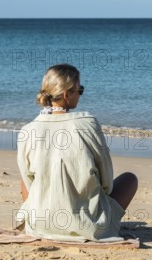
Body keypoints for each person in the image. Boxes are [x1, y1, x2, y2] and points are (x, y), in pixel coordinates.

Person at [16, 64, 138, 242]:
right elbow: (106, 182)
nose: (80, 94)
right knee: (129, 179)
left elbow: (28, 182)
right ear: (66, 94)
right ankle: (91, 224)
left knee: (27, 178)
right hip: (87, 227)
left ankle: (42, 220)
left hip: (40, 224)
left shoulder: (28, 130)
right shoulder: (87, 123)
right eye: (79, 89)